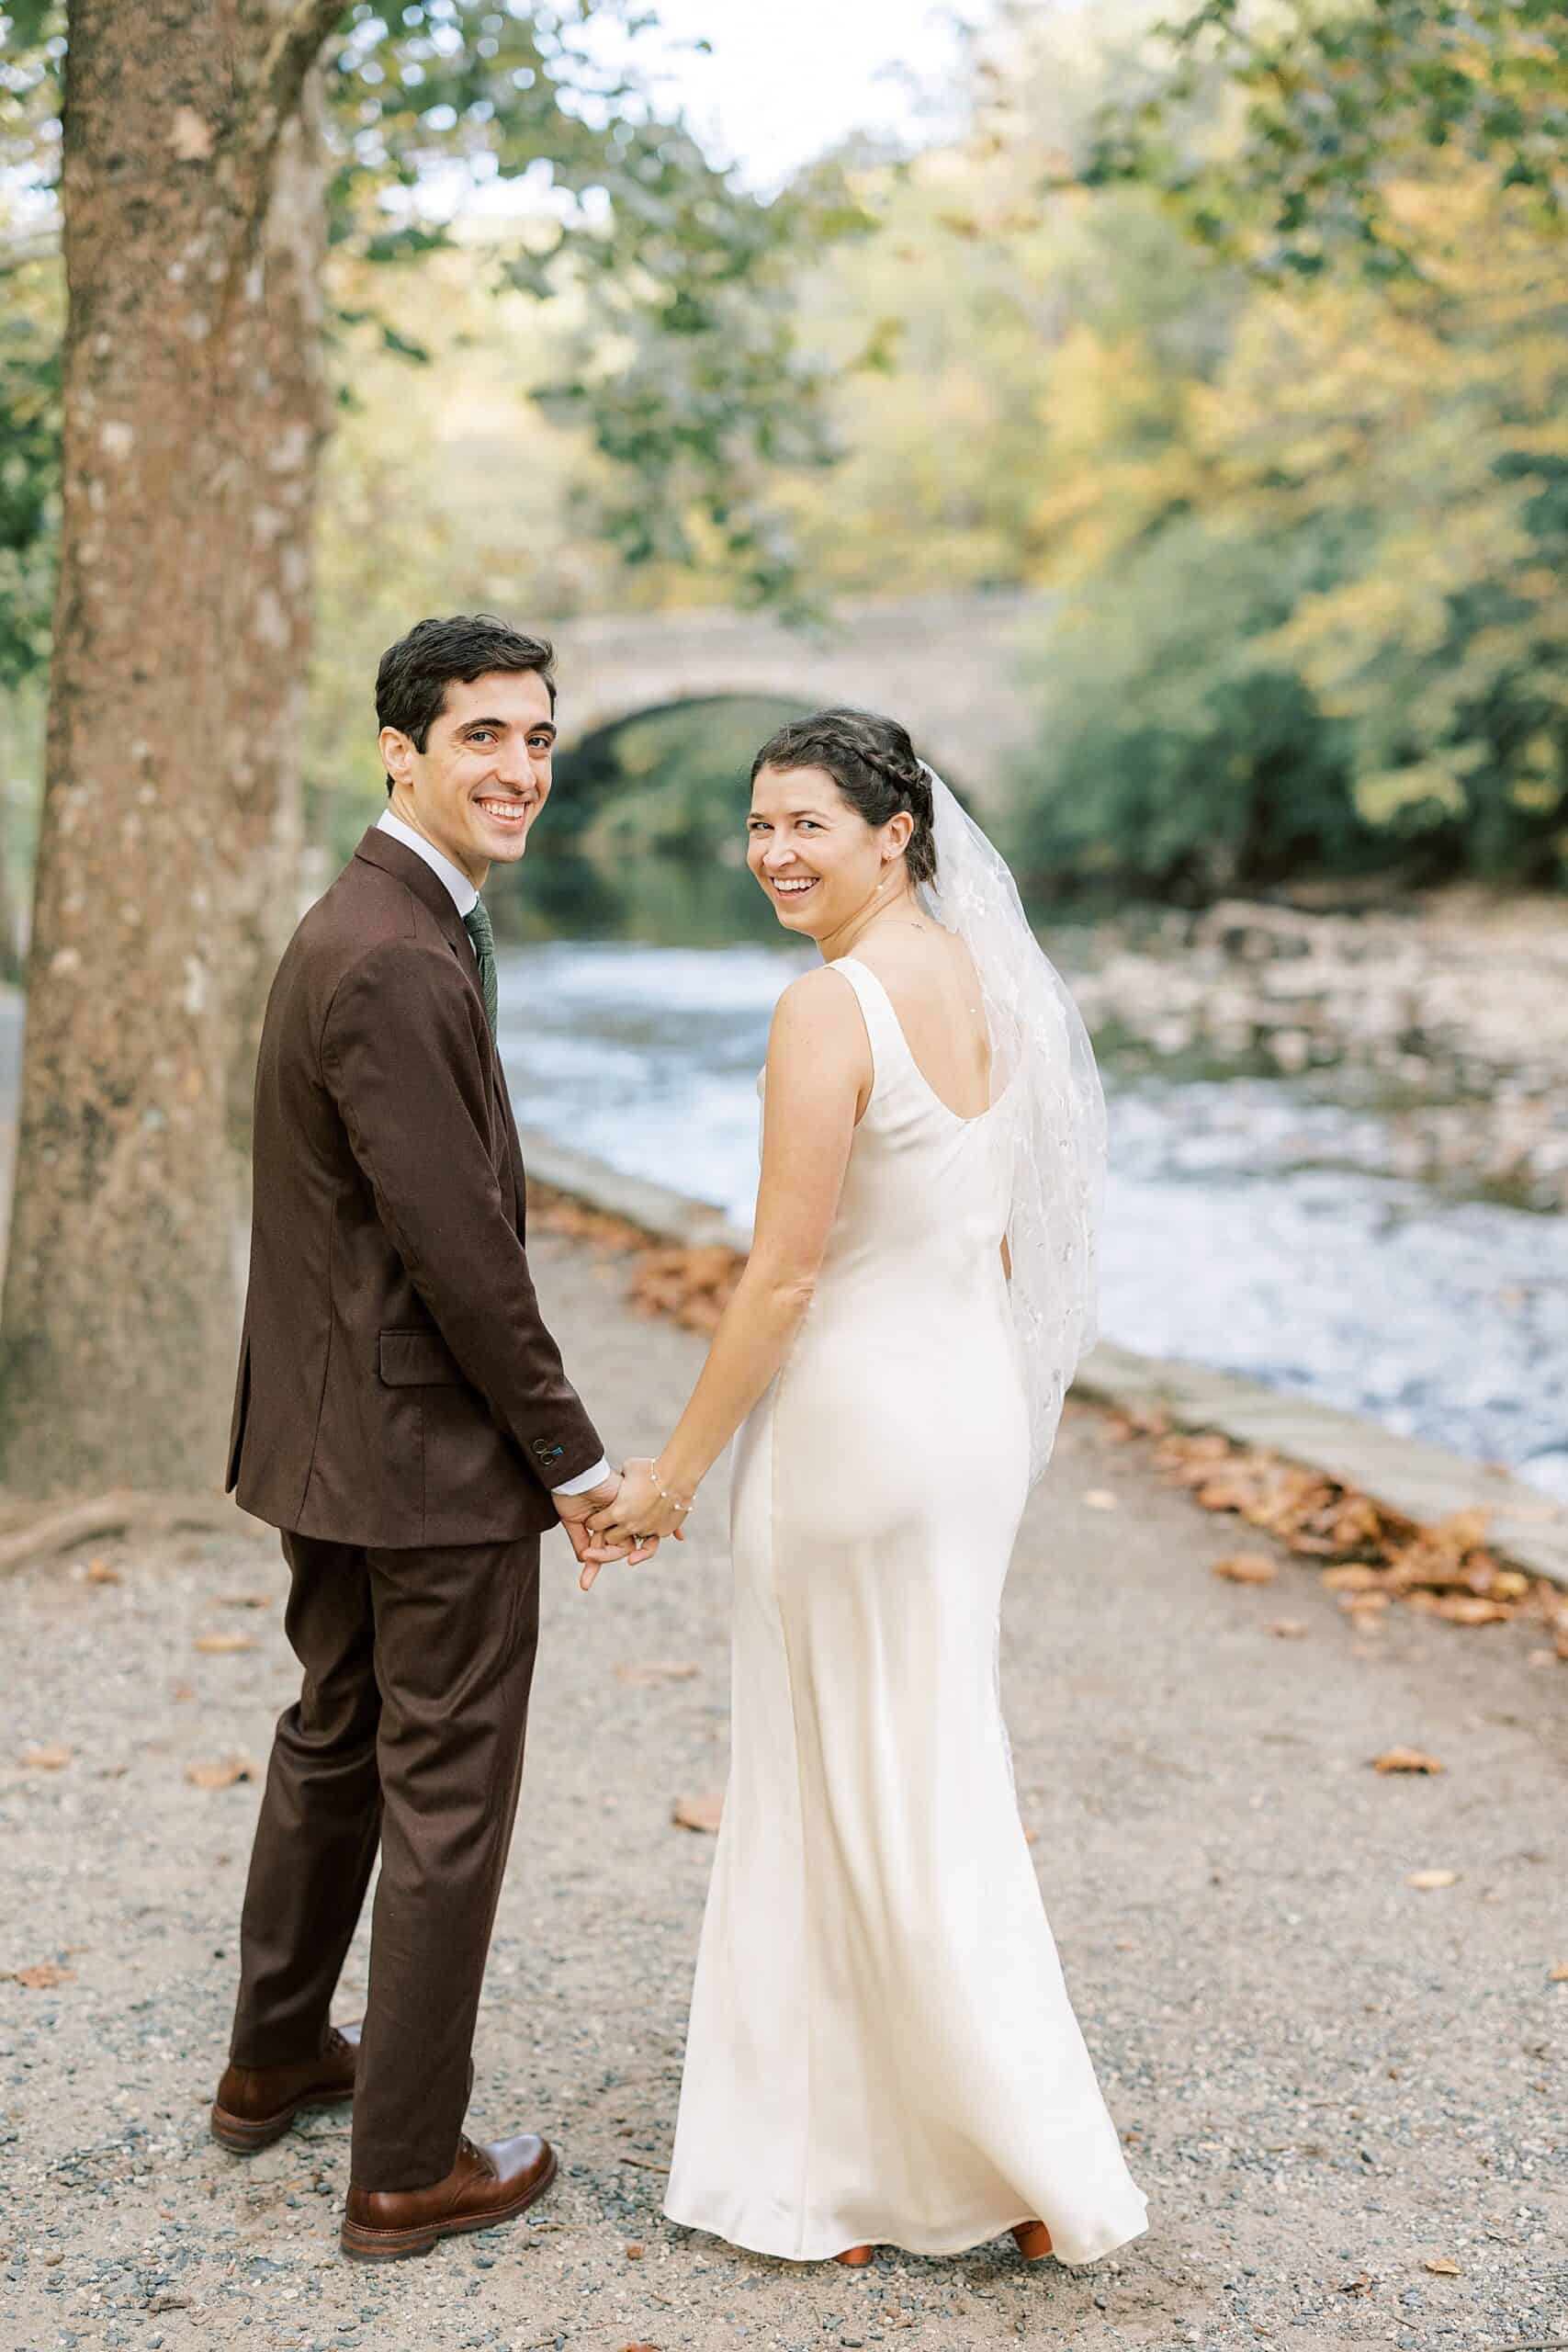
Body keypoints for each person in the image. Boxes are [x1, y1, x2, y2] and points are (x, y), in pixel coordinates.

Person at [583, 707, 1148, 2267]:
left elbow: (780, 1280)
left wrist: (672, 1480)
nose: (771, 852)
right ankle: (1014, 2162)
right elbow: (1021, 1238)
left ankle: (841, 2178)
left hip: (851, 1436)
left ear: (895, 835)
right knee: (939, 1771)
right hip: (964, 1422)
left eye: (805, 825)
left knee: (836, 1789)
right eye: (758, 825)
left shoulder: (828, 1009)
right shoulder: (995, 987)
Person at [212, 615, 656, 2263]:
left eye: (539, 739)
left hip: (332, 1437)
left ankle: (273, 2062)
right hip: (418, 1454)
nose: (521, 769)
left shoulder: (378, 918)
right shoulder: (396, 952)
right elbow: (459, 1248)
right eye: (485, 737)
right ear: (399, 748)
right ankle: (407, 2166)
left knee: (333, 1738)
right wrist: (577, 1462)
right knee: (444, 1793)